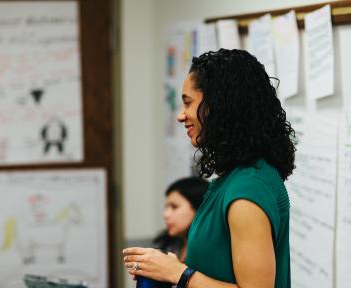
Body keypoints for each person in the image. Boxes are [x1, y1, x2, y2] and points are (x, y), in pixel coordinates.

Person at [123, 49, 296, 288]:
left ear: (218, 106)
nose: (181, 116)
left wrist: (180, 274)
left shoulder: (248, 190)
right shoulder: (236, 178)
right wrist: (169, 268)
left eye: (188, 103)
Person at [152, 176, 208, 262]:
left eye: (174, 207)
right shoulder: (167, 245)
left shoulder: (210, 250)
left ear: (198, 208)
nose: (166, 215)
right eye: (166, 208)